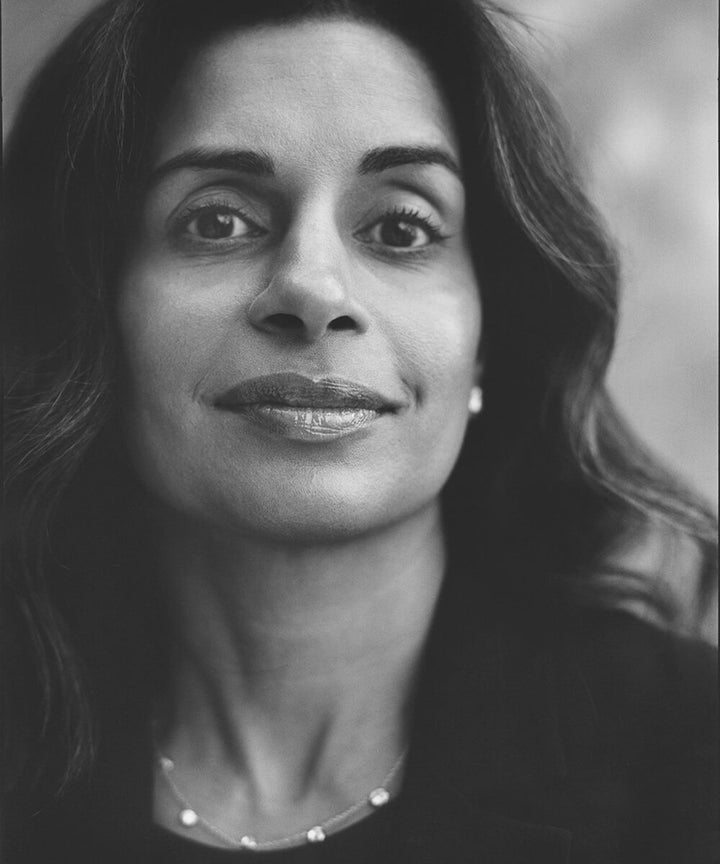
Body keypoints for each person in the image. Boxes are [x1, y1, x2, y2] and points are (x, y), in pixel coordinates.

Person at [1, 0, 717, 861]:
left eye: (400, 227)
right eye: (217, 220)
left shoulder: (688, 760)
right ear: (93, 312)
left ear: (489, 341)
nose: (313, 289)